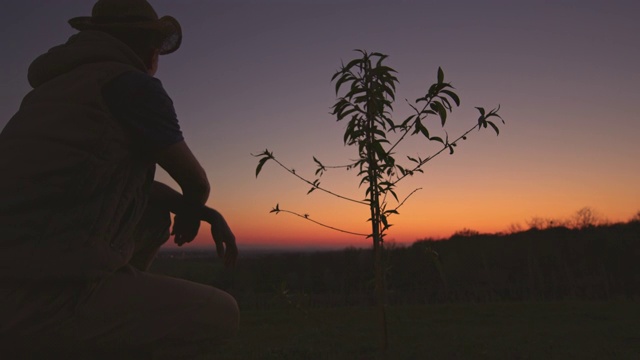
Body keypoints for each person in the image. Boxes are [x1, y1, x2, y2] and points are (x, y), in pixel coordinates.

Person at [0, 0, 239, 358]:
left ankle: (109, 310)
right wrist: (193, 208)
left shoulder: (51, 92)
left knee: (153, 217)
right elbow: (196, 183)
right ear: (146, 46)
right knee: (221, 315)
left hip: (18, 269)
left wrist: (206, 213)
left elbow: (98, 179)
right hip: (43, 294)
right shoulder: (132, 85)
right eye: (156, 46)